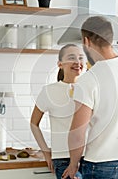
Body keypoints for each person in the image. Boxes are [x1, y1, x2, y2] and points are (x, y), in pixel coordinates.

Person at [62, 16, 118, 179]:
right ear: (111, 39)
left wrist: (73, 163)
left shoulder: (88, 80)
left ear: (86, 41)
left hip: (101, 165)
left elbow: (77, 133)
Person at [30, 44, 85, 179]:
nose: (77, 62)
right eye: (72, 58)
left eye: (81, 58)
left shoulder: (90, 88)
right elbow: (33, 123)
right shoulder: (49, 91)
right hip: (63, 158)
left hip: (92, 158)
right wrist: (46, 152)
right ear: (60, 64)